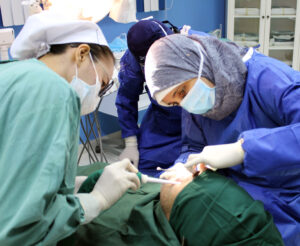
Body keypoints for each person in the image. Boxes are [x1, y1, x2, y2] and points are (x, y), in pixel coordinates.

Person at [144, 34, 300, 245]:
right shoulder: (195, 100)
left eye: (182, 91)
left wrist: (244, 151)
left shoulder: (269, 79)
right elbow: (193, 145)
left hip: (290, 193)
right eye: (175, 103)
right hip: (241, 194)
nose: (185, 104)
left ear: (198, 64)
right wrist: (184, 165)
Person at [0, 11, 140, 246]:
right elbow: (21, 228)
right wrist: (98, 199)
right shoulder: (50, 89)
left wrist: (68, 185)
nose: (98, 92)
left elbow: (14, 170)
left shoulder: (12, 74)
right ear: (82, 53)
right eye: (103, 82)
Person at [63, 162, 283, 246]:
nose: (186, 168)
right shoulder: (165, 199)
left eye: (194, 178)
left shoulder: (110, 234)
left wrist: (92, 196)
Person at [116, 19, 182, 177]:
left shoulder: (192, 46)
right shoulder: (134, 58)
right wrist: (131, 144)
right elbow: (126, 98)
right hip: (161, 123)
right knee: (142, 170)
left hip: (198, 120)